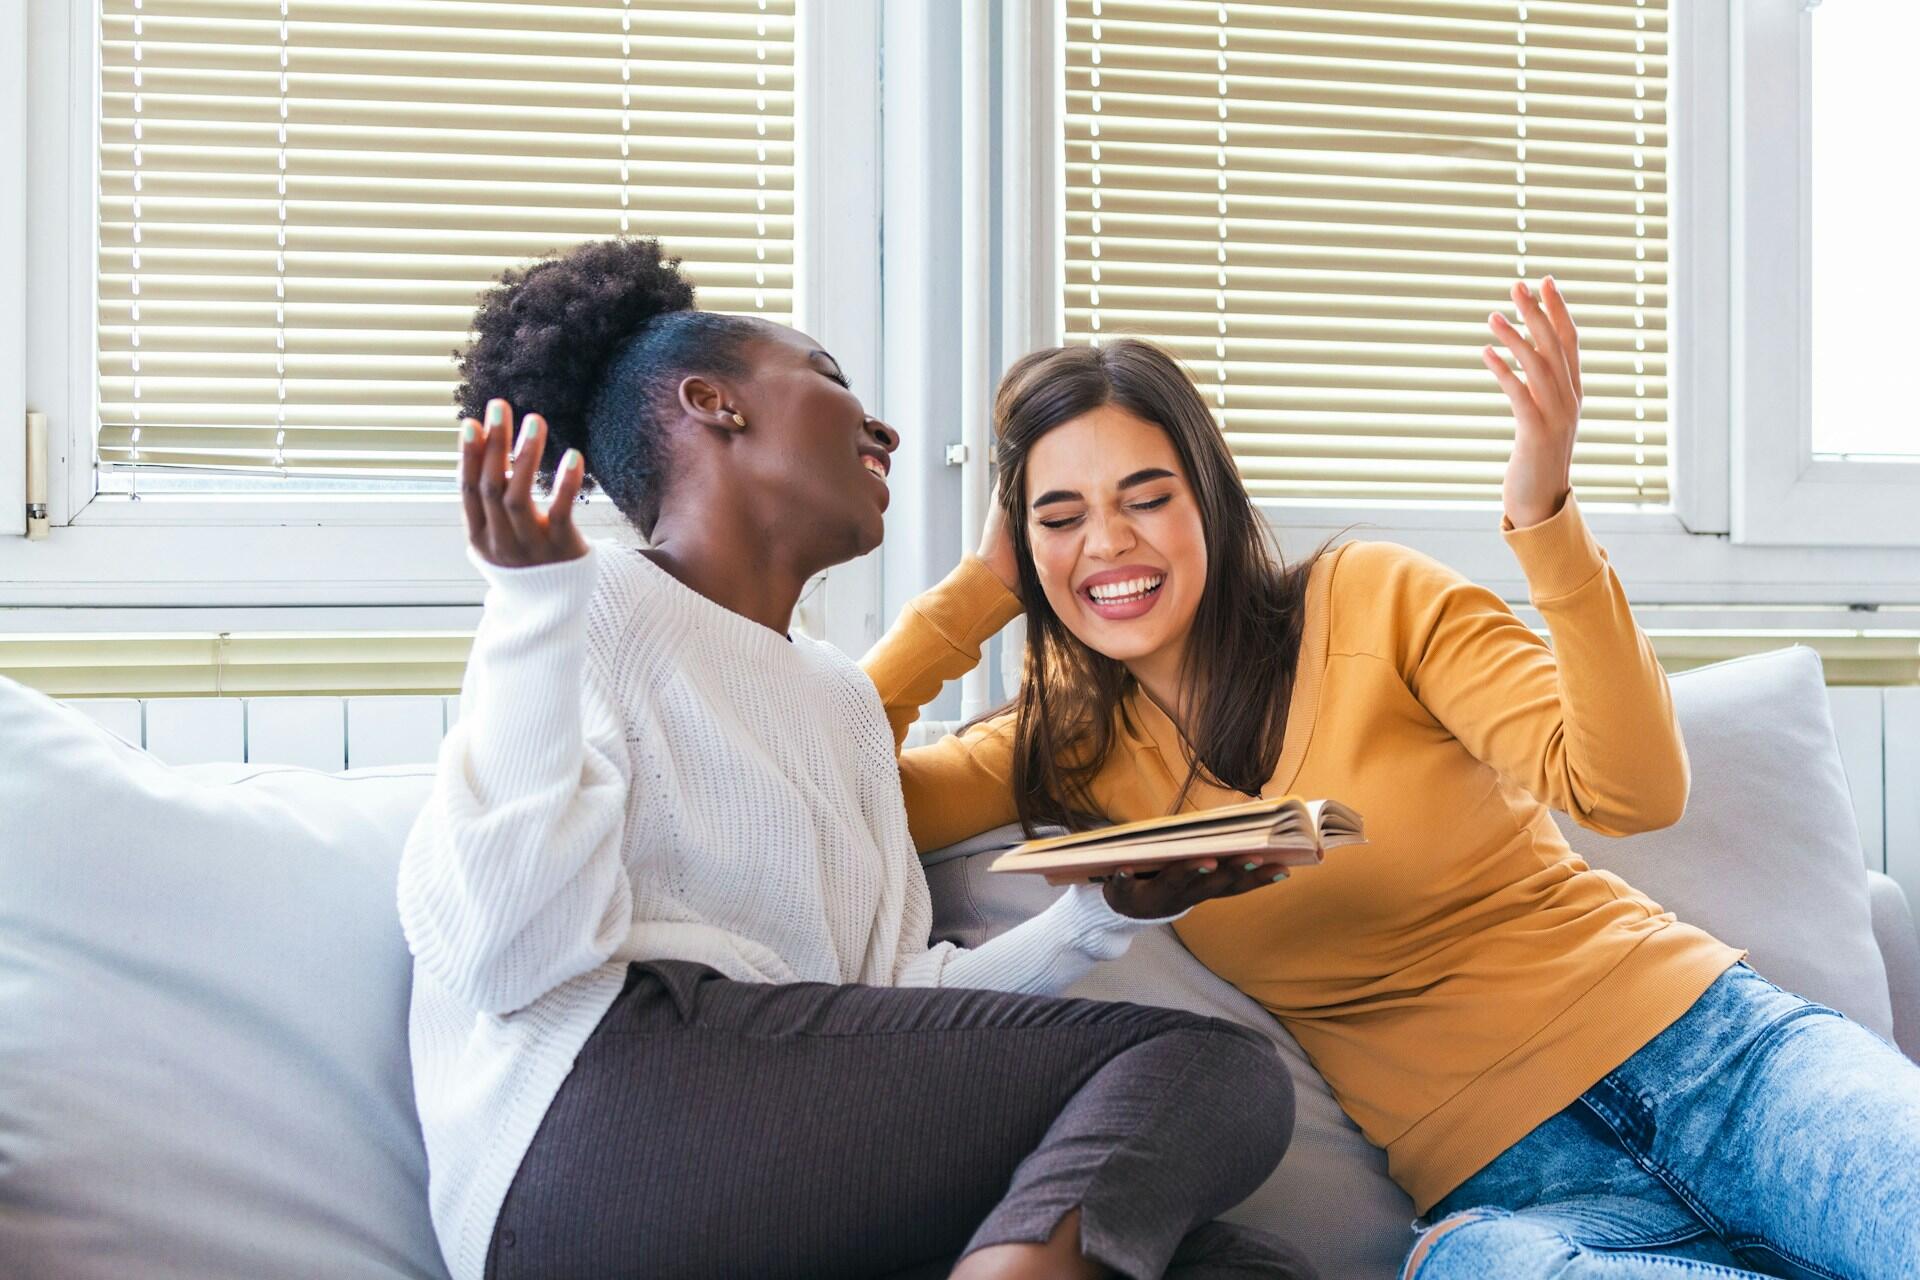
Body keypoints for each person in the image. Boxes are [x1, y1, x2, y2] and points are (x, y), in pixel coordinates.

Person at [865, 277, 1920, 1279]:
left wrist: (1546, 510)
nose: (1109, 541)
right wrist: (975, 592)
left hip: (1725, 1060)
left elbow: (1633, 790)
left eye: (1148, 495)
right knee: (1461, 1264)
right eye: (1060, 518)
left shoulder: (1370, 598)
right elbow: (834, 777)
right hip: (1519, 1199)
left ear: (1212, 502)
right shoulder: (1066, 746)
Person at [397, 236, 1318, 1280]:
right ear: (716, 403)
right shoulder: (582, 602)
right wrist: (533, 605)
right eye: (831, 379)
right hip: (595, 1137)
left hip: (786, 1140)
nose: (881, 426)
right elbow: (510, 954)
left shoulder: (838, 699)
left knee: (1238, 1266)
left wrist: (1101, 913)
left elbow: (892, 995)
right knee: (1205, 1069)